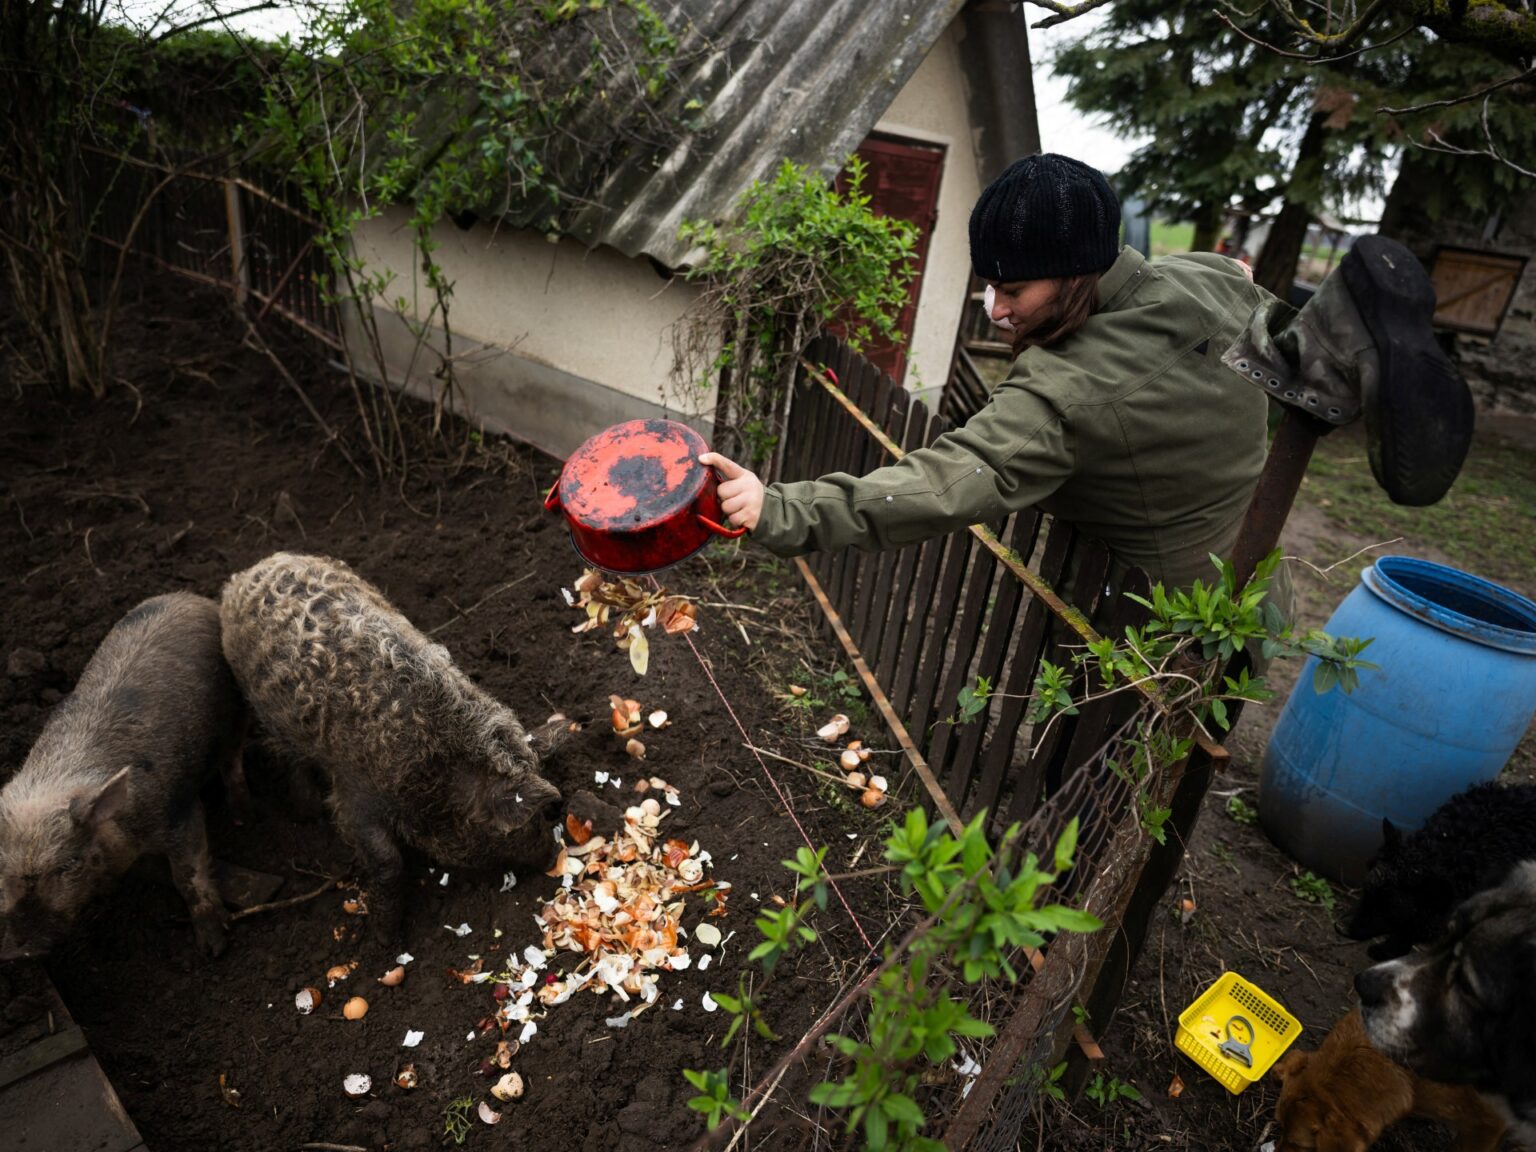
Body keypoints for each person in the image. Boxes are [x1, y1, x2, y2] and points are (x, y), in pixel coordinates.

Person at [698, 153, 1465, 607]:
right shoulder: (1202, 279)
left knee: (1102, 797)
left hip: (1156, 626)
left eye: (1014, 291)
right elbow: (1272, 333)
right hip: (1255, 591)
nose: (995, 311)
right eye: (989, 286)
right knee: (1301, 350)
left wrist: (781, 508)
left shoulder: (1066, 390)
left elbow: (946, 483)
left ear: (1073, 277)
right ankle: (1345, 347)